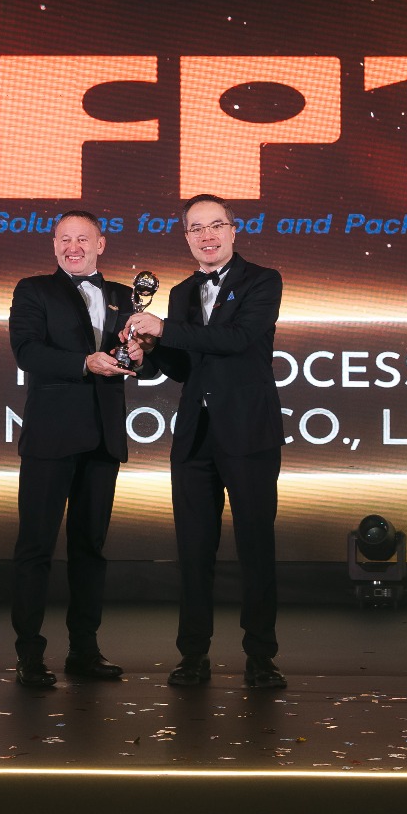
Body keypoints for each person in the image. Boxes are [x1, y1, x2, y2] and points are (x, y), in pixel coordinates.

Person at [126, 194, 287, 689]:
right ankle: (193, 655)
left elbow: (237, 339)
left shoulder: (263, 280)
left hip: (249, 432)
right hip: (195, 436)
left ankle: (261, 657)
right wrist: (149, 351)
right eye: (196, 228)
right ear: (187, 238)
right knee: (194, 551)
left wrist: (166, 328)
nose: (207, 235)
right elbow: (184, 365)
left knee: (255, 547)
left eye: (216, 225)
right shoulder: (181, 293)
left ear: (234, 231)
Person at [8, 210, 140, 687]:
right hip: (51, 437)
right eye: (64, 239)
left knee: (90, 549)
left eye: (82, 238)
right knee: (36, 547)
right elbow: (27, 351)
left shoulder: (125, 296)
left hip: (103, 439)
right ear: (54, 246)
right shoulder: (33, 290)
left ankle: (85, 650)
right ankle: (30, 654)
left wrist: (143, 354)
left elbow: (140, 359)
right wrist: (85, 362)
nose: (73, 247)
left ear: (100, 244)